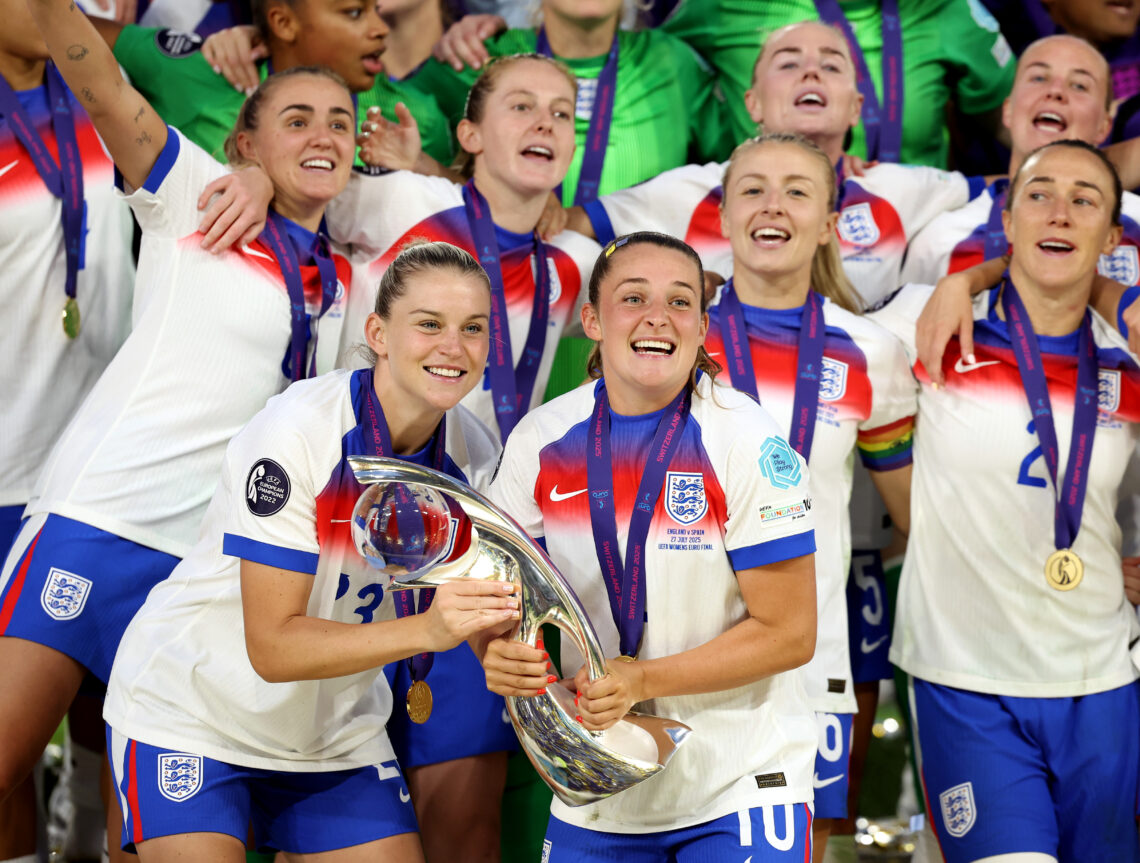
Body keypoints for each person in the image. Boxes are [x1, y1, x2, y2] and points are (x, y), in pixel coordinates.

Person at [0, 0, 357, 855]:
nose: (323, 134)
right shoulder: (195, 192)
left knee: (142, 821)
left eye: (339, 123)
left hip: (201, 573)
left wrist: (285, 175)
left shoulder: (350, 278)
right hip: (101, 525)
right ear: (244, 143)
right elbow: (102, 85)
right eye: (297, 118)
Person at [101, 239, 516, 861]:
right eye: (429, 324)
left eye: (473, 329)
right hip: (194, 713)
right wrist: (429, 631)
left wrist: (506, 656)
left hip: (332, 738)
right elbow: (273, 647)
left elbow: (471, 600)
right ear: (377, 332)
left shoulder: (474, 453)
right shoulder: (297, 433)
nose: (453, 347)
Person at [479, 231, 819, 860]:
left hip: (736, 780)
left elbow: (790, 632)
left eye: (680, 302)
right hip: (599, 781)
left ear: (701, 328)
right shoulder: (543, 440)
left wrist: (643, 678)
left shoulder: (745, 439)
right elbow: (498, 599)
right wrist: (495, 650)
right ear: (592, 321)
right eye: (632, 298)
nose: (657, 317)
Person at [869, 139, 1140, 860]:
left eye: (1085, 199)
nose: (1060, 210)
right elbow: (836, 358)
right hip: (965, 678)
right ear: (1009, 221)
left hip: (1102, 677)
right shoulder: (932, 322)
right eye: (1039, 193)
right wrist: (968, 276)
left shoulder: (1126, 354)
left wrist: (1119, 296)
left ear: (1112, 237)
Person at [704, 133, 915, 859]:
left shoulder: (871, 352)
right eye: (753, 188)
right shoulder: (671, 336)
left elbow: (917, 513)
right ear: (723, 212)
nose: (773, 205)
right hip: (678, 651)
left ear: (829, 221)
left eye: (798, 190)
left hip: (808, 655)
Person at [570, 19, 985, 311]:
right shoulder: (692, 190)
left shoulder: (898, 188)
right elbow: (568, 225)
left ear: (856, 108)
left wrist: (968, 281)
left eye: (831, 65)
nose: (810, 72)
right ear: (752, 103)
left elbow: (1023, 187)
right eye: (788, 63)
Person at [0, 0, 135, 857]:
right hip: (4, 472)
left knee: (115, 716)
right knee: (7, 760)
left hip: (101, 477)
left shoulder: (99, 95)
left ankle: (81, 835)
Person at [901, 34, 1140, 290]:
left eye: (1080, 85)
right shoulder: (942, 241)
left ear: (1104, 126)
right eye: (1038, 78)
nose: (1056, 91)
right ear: (1008, 109)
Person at [88, 0, 395, 164]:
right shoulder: (201, 72)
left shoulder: (402, 116)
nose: (381, 28)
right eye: (354, 12)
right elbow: (55, 30)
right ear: (283, 23)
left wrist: (425, 167)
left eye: (376, 10)